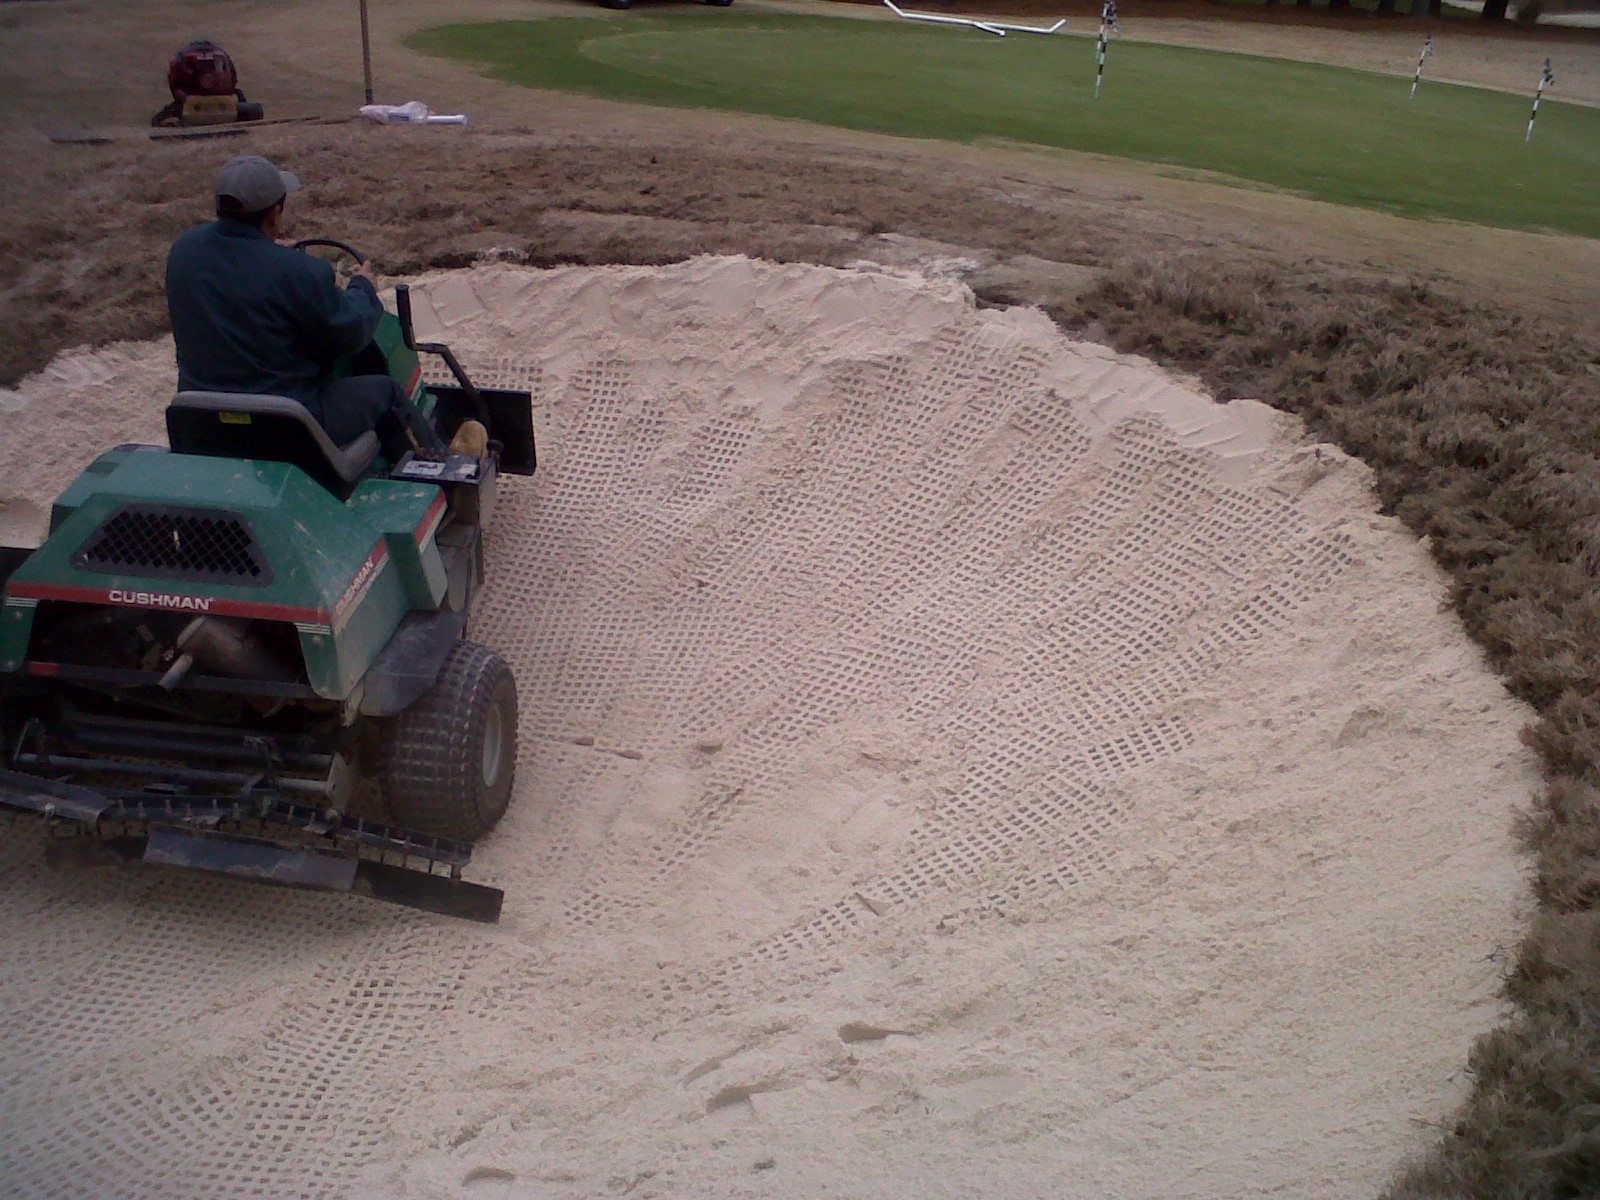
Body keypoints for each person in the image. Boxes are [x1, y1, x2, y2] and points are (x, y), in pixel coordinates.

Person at [166, 155, 479, 459]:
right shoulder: (300, 272)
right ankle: (440, 464)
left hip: (201, 418)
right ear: (275, 213)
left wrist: (270, 252)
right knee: (387, 392)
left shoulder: (183, 251)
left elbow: (237, 273)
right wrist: (363, 286)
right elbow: (350, 334)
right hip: (284, 424)